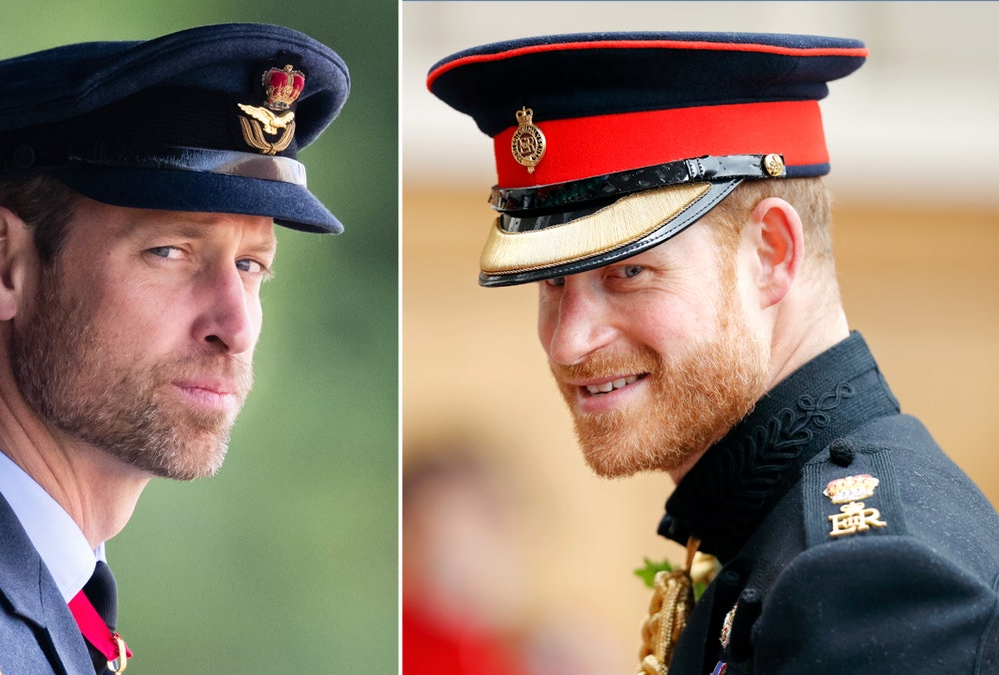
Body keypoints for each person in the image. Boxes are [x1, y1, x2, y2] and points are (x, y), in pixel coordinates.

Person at [426, 31, 999, 674]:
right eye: (553, 282)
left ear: (771, 254)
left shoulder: (864, 584)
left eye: (629, 273)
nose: (567, 341)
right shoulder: (769, 527)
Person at [0, 22, 349, 674]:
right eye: (169, 251)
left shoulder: (35, 591)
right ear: (4, 266)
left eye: (252, 265)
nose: (236, 324)